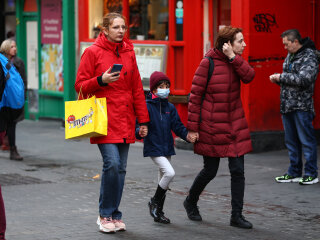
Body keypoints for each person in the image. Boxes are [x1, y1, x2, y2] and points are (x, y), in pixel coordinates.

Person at [75, 12, 149, 233]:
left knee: (121, 169)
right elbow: (79, 86)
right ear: (105, 30)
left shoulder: (129, 52)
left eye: (123, 27)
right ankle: (105, 214)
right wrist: (101, 80)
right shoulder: (92, 52)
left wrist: (143, 120)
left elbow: (136, 87)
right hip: (103, 119)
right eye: (116, 27)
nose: (121, 31)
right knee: (113, 164)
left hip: (125, 118)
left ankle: (115, 214)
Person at [184, 26, 255, 229]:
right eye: (240, 41)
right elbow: (195, 97)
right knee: (210, 170)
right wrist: (193, 128)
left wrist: (233, 57)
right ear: (227, 44)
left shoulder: (236, 61)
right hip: (211, 126)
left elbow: (249, 76)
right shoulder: (208, 63)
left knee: (238, 170)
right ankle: (190, 201)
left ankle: (236, 215)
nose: (244, 44)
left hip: (234, 125)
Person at [136, 71, 196, 224]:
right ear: (154, 90)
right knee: (169, 173)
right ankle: (154, 202)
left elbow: (177, 126)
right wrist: (140, 131)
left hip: (167, 147)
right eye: (161, 86)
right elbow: (138, 126)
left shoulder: (170, 107)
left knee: (164, 180)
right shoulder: (146, 107)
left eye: (167, 86)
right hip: (154, 147)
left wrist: (187, 136)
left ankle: (158, 213)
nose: (165, 89)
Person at [270, 29, 319, 185]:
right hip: (287, 105)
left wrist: (281, 77)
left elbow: (306, 79)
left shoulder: (309, 56)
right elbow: (293, 79)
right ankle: (294, 172)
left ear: (295, 42)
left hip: (302, 106)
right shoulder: (291, 55)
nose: (284, 47)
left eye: (286, 44)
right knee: (291, 141)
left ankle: (311, 173)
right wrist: (279, 80)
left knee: (306, 140)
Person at [0, 39, 26, 161]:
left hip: (14, 99)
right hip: (4, 99)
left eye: (15, 46)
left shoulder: (19, 62)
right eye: (11, 47)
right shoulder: (1, 62)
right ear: (5, 48)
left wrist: (22, 96)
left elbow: (22, 81)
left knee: (12, 124)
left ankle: (12, 149)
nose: (14, 49)